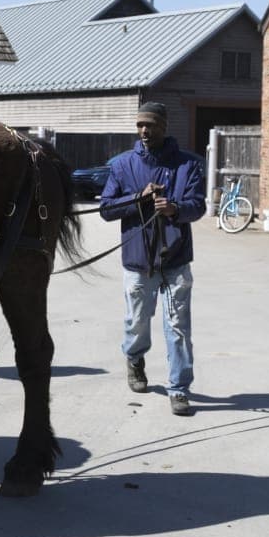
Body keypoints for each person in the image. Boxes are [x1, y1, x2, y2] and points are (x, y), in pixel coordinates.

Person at [99, 102, 205, 416]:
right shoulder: (121, 165)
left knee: (178, 327)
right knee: (137, 323)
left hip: (175, 259)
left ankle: (179, 389)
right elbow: (106, 209)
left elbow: (198, 205)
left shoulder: (187, 165)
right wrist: (137, 199)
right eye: (140, 125)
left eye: (151, 125)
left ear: (164, 126)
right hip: (138, 260)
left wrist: (175, 209)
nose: (145, 131)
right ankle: (134, 358)